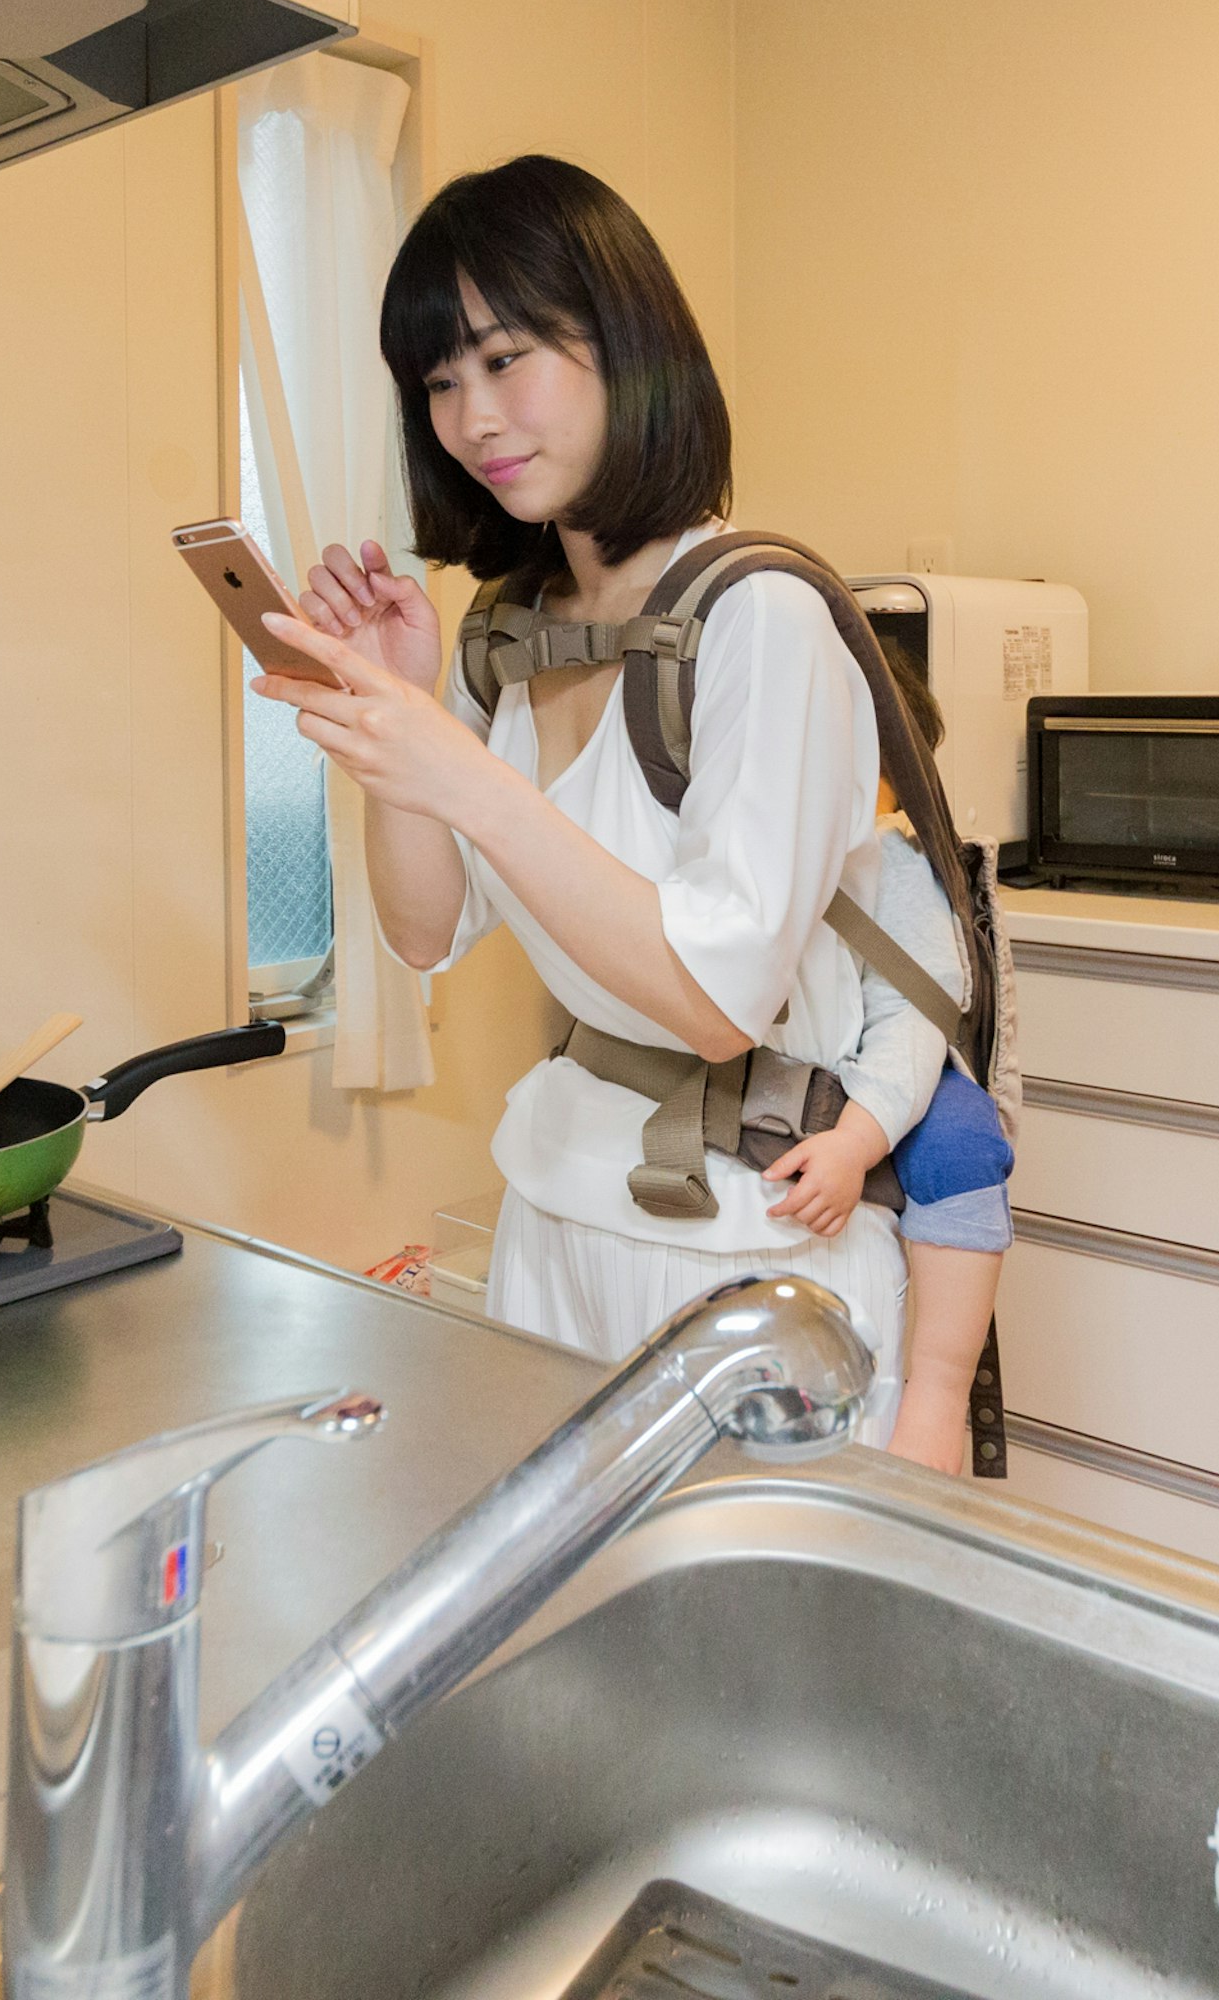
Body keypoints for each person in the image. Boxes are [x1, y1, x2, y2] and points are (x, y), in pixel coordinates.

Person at [251, 154, 912, 1433]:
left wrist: (459, 772)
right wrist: (399, 726)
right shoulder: (513, 629)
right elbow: (424, 928)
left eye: (506, 360)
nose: (472, 416)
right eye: (439, 381)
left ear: (623, 343)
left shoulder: (760, 614)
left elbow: (721, 1002)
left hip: (746, 1246)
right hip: (554, 1211)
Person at [748, 648, 1013, 1476]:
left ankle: (936, 1399)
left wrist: (859, 1141)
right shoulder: (749, 847)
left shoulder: (894, 867)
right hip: (792, 1071)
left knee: (966, 1145)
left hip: (893, 1071)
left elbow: (913, 1024)